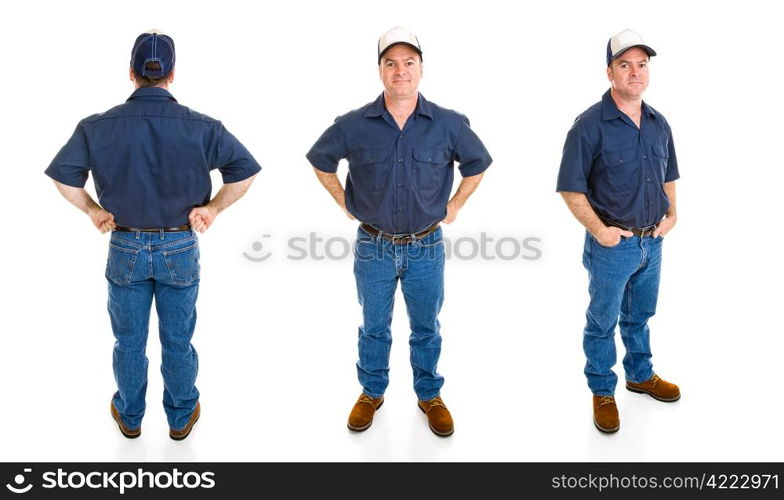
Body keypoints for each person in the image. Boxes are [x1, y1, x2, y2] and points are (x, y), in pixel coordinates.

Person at [45, 30, 260, 440]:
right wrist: (212, 208)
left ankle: (130, 416)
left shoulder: (97, 126)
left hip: (124, 243)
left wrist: (93, 209)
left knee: (128, 342)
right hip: (179, 244)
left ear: (131, 72)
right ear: (173, 75)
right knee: (178, 339)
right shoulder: (203, 126)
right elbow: (245, 171)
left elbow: (64, 178)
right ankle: (180, 418)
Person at [306, 26, 492, 437]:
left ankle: (429, 394)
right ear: (380, 71)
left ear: (421, 69)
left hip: (426, 246)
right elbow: (321, 161)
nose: (400, 71)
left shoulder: (448, 123)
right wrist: (344, 201)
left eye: (409, 63)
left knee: (427, 325)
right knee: (374, 324)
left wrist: (456, 204)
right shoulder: (353, 124)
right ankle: (372, 391)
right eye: (391, 63)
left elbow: (477, 164)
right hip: (373, 245)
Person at [557, 29, 681, 433]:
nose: (635, 73)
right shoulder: (589, 126)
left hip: (653, 242)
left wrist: (672, 213)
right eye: (624, 65)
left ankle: (640, 374)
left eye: (641, 65)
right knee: (602, 320)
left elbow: (669, 175)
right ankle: (602, 389)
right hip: (613, 246)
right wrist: (601, 231)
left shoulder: (659, 122)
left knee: (641, 315)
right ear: (609, 72)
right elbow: (570, 188)